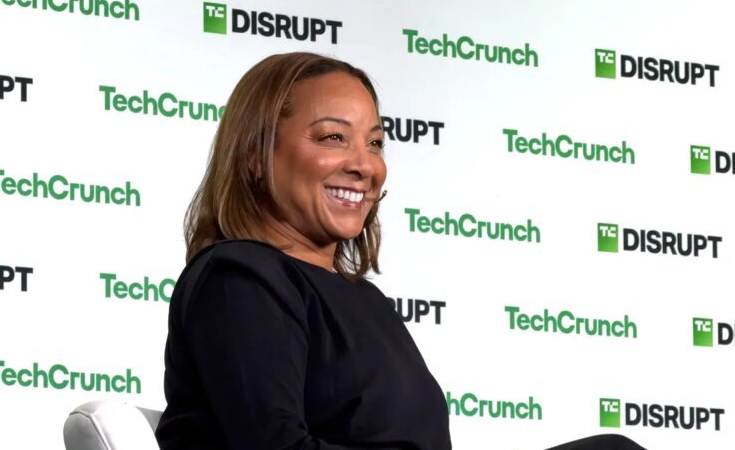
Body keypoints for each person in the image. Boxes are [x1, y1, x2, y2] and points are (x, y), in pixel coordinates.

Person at [155, 52, 645, 450]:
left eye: (375, 144)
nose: (365, 165)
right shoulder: (239, 278)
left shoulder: (365, 300)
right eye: (333, 138)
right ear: (254, 157)